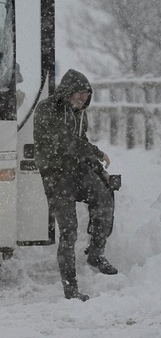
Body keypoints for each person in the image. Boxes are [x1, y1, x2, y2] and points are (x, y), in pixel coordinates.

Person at [34, 69, 118, 302]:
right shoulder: (47, 109)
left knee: (104, 198)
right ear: (67, 92)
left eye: (86, 94)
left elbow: (81, 142)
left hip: (76, 170)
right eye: (79, 94)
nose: (83, 99)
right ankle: (71, 290)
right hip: (55, 173)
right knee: (69, 231)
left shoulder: (80, 114)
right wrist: (97, 152)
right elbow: (64, 140)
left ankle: (96, 253)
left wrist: (100, 171)